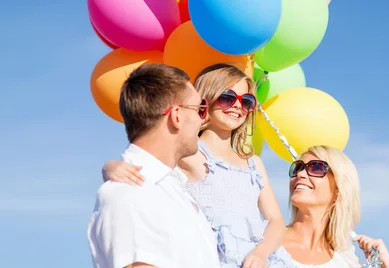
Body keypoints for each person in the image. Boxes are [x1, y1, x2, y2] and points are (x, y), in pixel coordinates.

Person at [102, 64, 293, 268]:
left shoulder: (253, 162)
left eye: (246, 101)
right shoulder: (191, 152)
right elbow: (148, 162)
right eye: (228, 98)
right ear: (206, 100)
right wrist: (110, 167)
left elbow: (276, 220)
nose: (238, 106)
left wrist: (261, 254)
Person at [87, 63, 220, 268]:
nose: (204, 118)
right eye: (200, 109)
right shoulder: (131, 194)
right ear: (176, 116)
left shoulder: (170, 189)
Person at [283, 145, 389, 268]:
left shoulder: (346, 262)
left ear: (339, 186)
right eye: (297, 168)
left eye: (316, 167)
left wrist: (387, 265)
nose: (300, 174)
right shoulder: (265, 240)